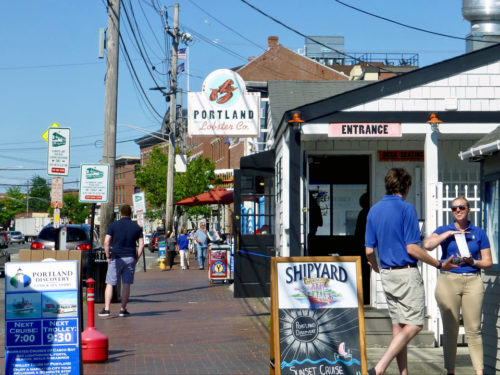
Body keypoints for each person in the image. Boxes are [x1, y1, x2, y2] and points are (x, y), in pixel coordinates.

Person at [365, 168, 457, 375]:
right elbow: (412, 248)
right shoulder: (407, 209)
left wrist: (376, 267)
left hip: (387, 274)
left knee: (399, 327)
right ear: (406, 186)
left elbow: (369, 250)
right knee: (415, 325)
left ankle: (403, 374)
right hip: (406, 273)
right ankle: (379, 369)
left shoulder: (374, 211)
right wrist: (439, 264)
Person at [423, 196, 492, 375]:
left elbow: (488, 262)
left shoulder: (479, 232)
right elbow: (427, 245)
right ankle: (450, 371)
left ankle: (479, 371)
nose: (458, 210)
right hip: (449, 280)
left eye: (461, 207)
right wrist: (448, 234)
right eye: (454, 208)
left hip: (472, 280)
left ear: (468, 210)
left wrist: (473, 261)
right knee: (450, 328)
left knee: (474, 328)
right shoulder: (444, 230)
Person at [99, 204, 144, 318]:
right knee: (126, 284)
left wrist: (108, 255)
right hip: (130, 257)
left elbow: (106, 242)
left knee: (110, 283)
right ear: (130, 213)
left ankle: (107, 309)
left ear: (120, 213)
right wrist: (136, 258)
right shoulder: (137, 227)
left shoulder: (113, 225)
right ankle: (123, 309)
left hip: (116, 256)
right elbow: (141, 246)